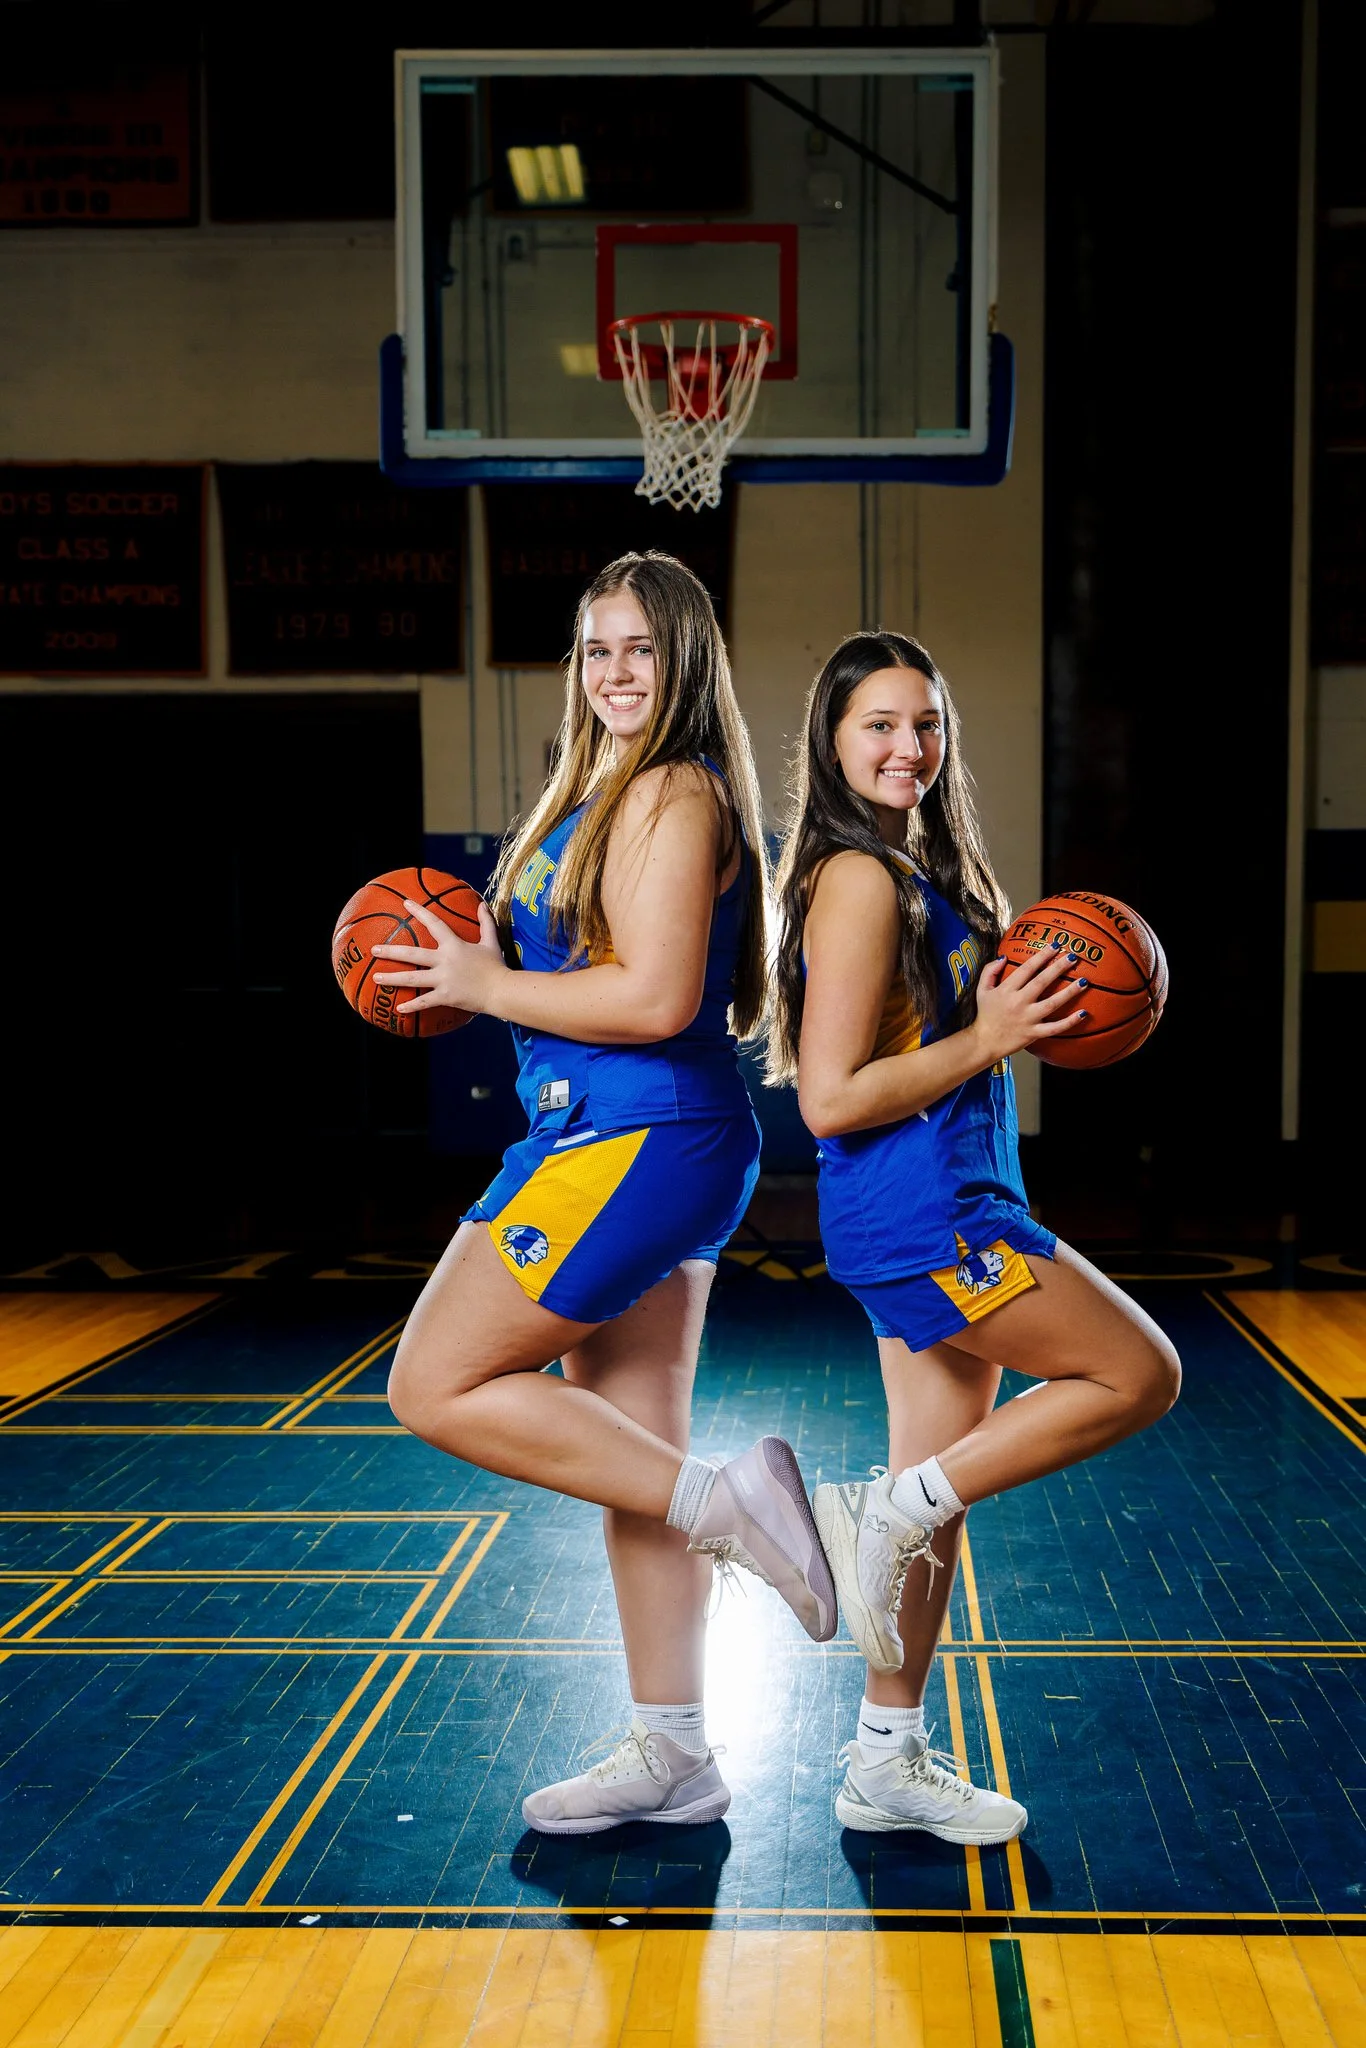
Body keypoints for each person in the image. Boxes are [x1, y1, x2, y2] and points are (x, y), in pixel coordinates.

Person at [373, 551, 835, 1836]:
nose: (615, 671)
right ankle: (674, 1751)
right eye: (595, 649)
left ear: (685, 659)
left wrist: (479, 984)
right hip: (633, 1133)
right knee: (632, 1458)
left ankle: (732, 1503)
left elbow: (651, 1000)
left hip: (632, 1134)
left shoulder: (676, 792)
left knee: (432, 1379)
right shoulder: (602, 786)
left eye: (639, 648)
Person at [769, 630, 1181, 1844]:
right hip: (924, 1213)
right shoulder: (855, 878)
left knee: (935, 1503)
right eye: (879, 725)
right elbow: (830, 1097)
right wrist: (993, 1032)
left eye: (926, 723)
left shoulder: (917, 868)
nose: (909, 747)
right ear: (832, 742)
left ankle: (883, 1759)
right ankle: (877, 1509)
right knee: (1136, 1371)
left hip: (948, 1196)